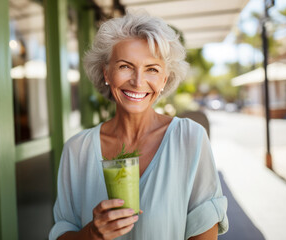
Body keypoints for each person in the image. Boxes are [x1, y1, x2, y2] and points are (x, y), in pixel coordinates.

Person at [49, 11, 228, 240]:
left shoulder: (190, 138)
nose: (138, 81)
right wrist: (91, 234)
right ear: (106, 72)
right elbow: (63, 231)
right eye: (125, 66)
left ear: (164, 79)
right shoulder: (77, 150)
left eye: (152, 69)